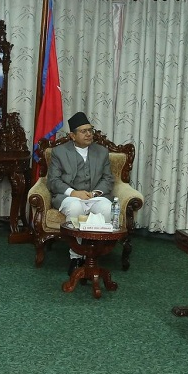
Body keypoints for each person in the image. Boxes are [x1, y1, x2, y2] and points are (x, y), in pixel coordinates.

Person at [48, 111, 114, 274]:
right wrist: (74, 193)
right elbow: (53, 181)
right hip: (69, 197)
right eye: (84, 131)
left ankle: (93, 255)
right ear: (72, 135)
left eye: (90, 130)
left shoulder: (102, 152)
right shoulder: (59, 152)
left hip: (94, 196)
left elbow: (108, 179)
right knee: (75, 208)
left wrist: (94, 193)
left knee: (107, 208)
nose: (89, 134)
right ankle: (76, 257)